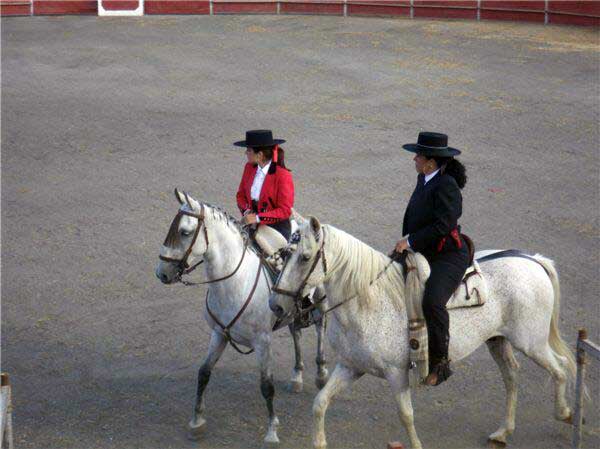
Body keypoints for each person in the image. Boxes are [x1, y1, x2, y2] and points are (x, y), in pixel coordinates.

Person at [394, 131, 470, 386]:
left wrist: (411, 241)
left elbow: (444, 224)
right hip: (424, 250)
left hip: (447, 255)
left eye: (418, 155)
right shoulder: (423, 177)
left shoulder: (446, 185)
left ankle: (441, 362)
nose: (414, 159)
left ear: (431, 162)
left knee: (433, 302)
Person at [235, 130, 294, 244]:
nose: (246, 153)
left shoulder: (283, 175)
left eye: (249, 150)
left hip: (276, 228)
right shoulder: (249, 168)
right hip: (250, 224)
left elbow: (285, 210)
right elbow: (240, 195)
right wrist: (247, 211)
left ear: (260, 155)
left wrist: (257, 218)